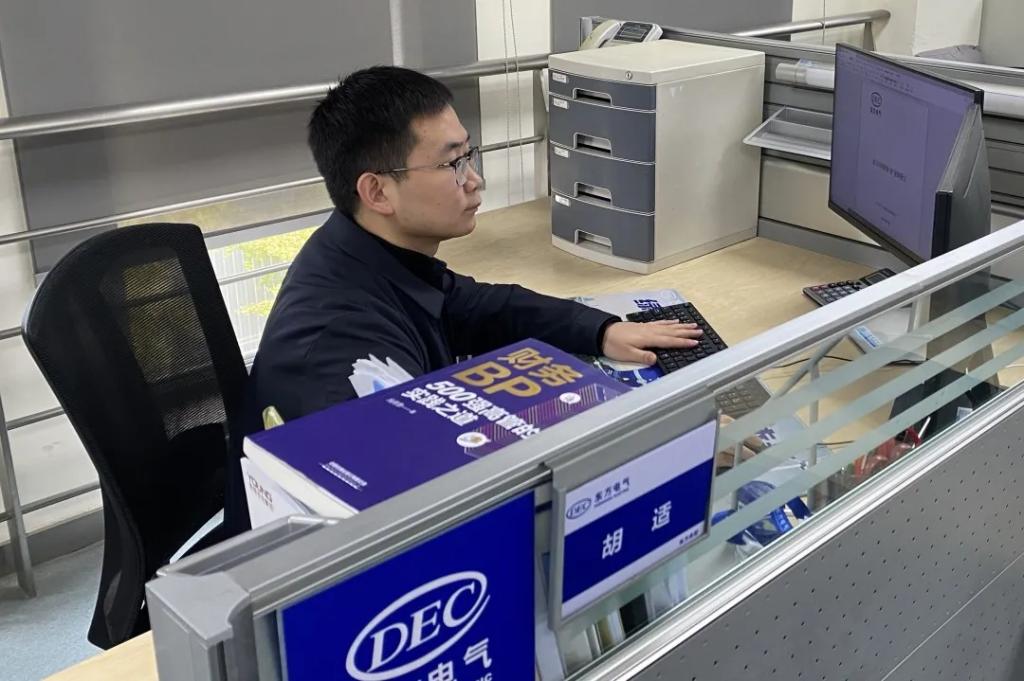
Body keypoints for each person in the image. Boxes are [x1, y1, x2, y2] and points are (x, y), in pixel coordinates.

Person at [245, 66, 703, 427]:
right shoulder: (346, 354)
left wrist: (601, 331)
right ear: (378, 192)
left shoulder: (372, 256)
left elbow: (481, 307)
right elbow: (408, 486)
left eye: (469, 155)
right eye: (452, 164)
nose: (475, 180)